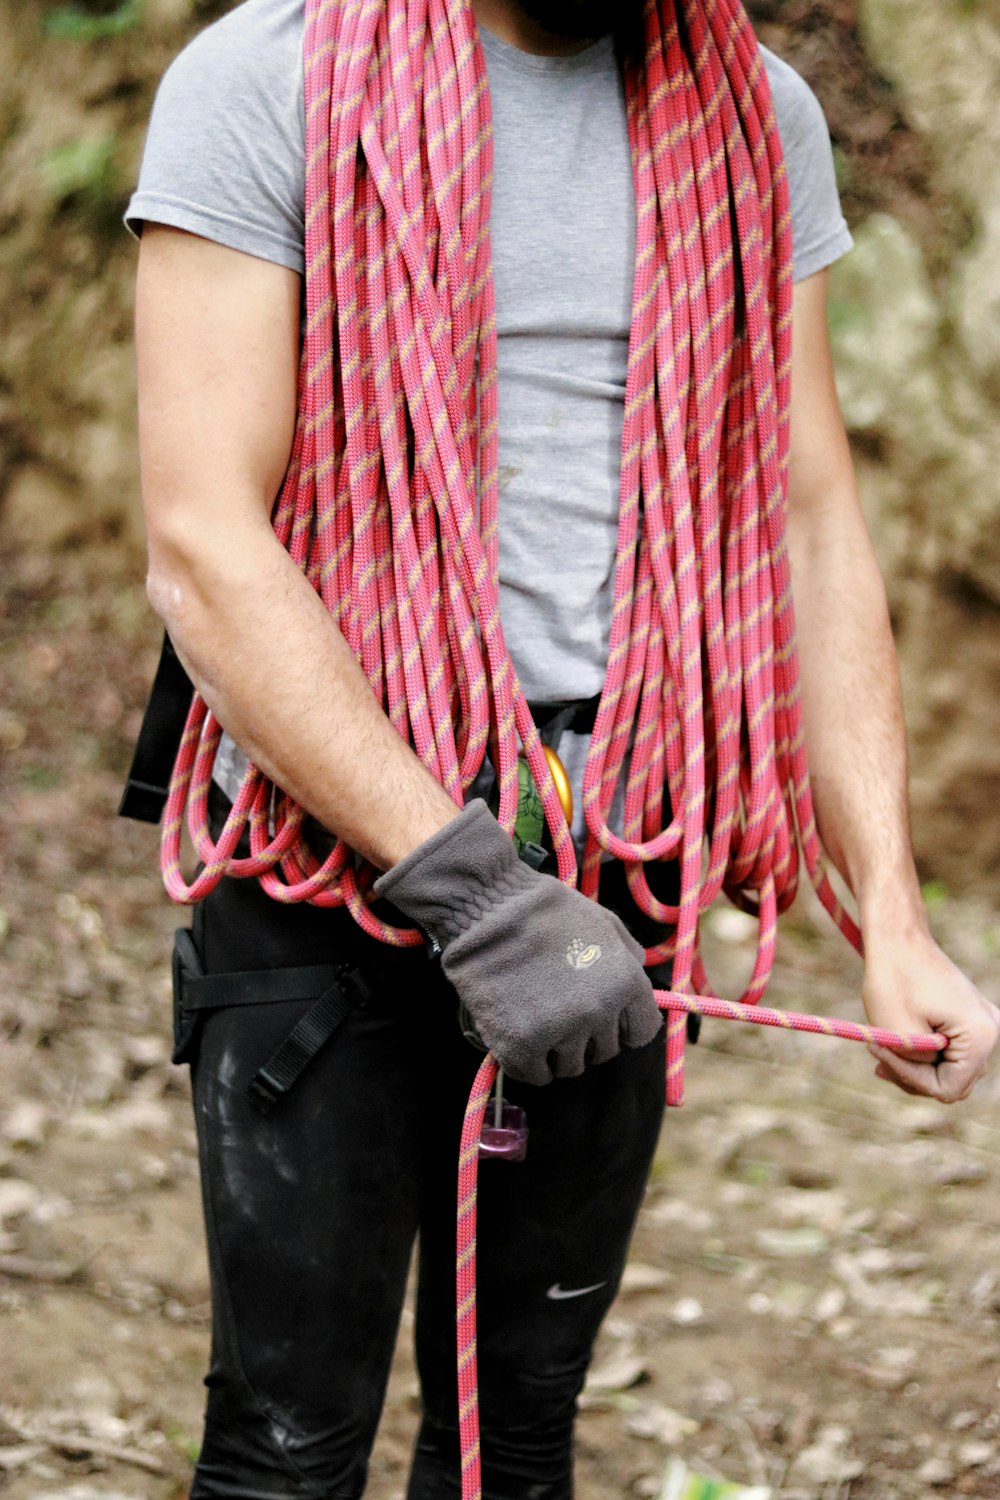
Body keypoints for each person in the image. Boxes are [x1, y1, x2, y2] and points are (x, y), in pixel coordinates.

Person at [125, 0, 999, 1495]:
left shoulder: (747, 112)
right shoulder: (264, 80)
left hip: (619, 860)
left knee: (514, 1448)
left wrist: (896, 924)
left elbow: (807, 520)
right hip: (324, 867)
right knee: (288, 1449)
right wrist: (473, 891)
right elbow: (207, 540)